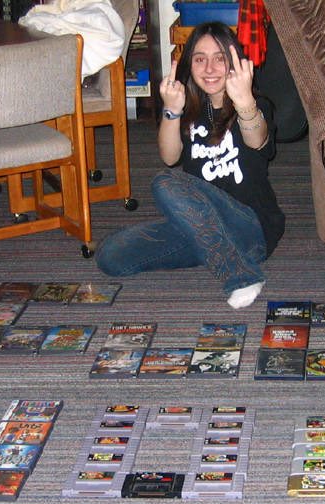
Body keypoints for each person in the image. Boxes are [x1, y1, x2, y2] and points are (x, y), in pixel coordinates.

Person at [94, 21, 285, 309]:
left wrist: (245, 103)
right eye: (199, 59)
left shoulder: (256, 106)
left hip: (250, 228)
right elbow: (170, 157)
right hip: (203, 227)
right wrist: (172, 110)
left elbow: (258, 140)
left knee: (165, 182)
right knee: (110, 255)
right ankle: (213, 250)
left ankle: (239, 276)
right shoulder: (189, 110)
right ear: (189, 65)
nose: (209, 68)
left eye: (219, 58)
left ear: (234, 62)